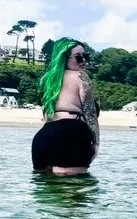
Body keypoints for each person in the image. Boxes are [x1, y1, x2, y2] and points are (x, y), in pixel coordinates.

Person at [32, 39, 100, 175]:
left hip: (43, 137)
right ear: (64, 58)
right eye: (78, 57)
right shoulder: (81, 77)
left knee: (44, 187)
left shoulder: (47, 80)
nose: (84, 61)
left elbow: (46, 114)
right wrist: (96, 143)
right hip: (71, 134)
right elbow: (90, 113)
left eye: (85, 56)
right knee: (73, 186)